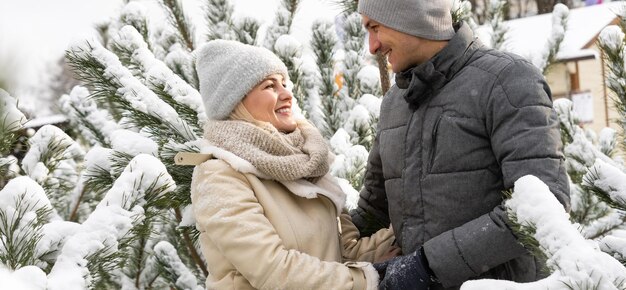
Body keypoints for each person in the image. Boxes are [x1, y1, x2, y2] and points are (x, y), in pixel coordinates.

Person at [350, 1, 571, 289]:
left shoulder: (506, 81)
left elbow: (543, 205)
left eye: (375, 27)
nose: (372, 46)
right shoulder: (395, 103)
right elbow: (373, 211)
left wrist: (428, 266)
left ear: (412, 18)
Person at [183, 39, 398, 290]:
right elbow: (274, 270)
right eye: (269, 86)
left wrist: (413, 235)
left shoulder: (306, 162)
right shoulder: (218, 175)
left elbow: (344, 253)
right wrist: (370, 278)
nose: (287, 93)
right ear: (235, 101)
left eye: (284, 83)